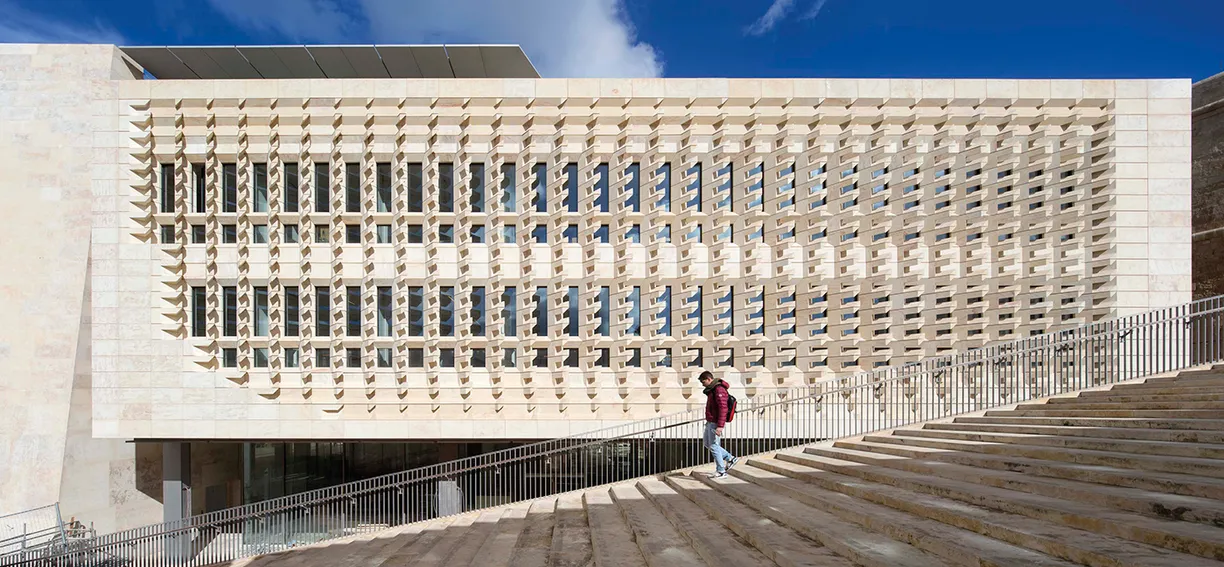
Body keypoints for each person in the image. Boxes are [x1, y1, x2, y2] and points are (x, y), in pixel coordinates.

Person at [699, 370, 738, 478]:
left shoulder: (719, 389)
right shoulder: (712, 390)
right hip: (711, 421)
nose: (703, 385)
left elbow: (723, 408)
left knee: (714, 446)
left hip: (715, 422)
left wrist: (720, 426)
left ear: (709, 379)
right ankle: (730, 458)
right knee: (708, 443)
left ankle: (721, 471)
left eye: (703, 382)